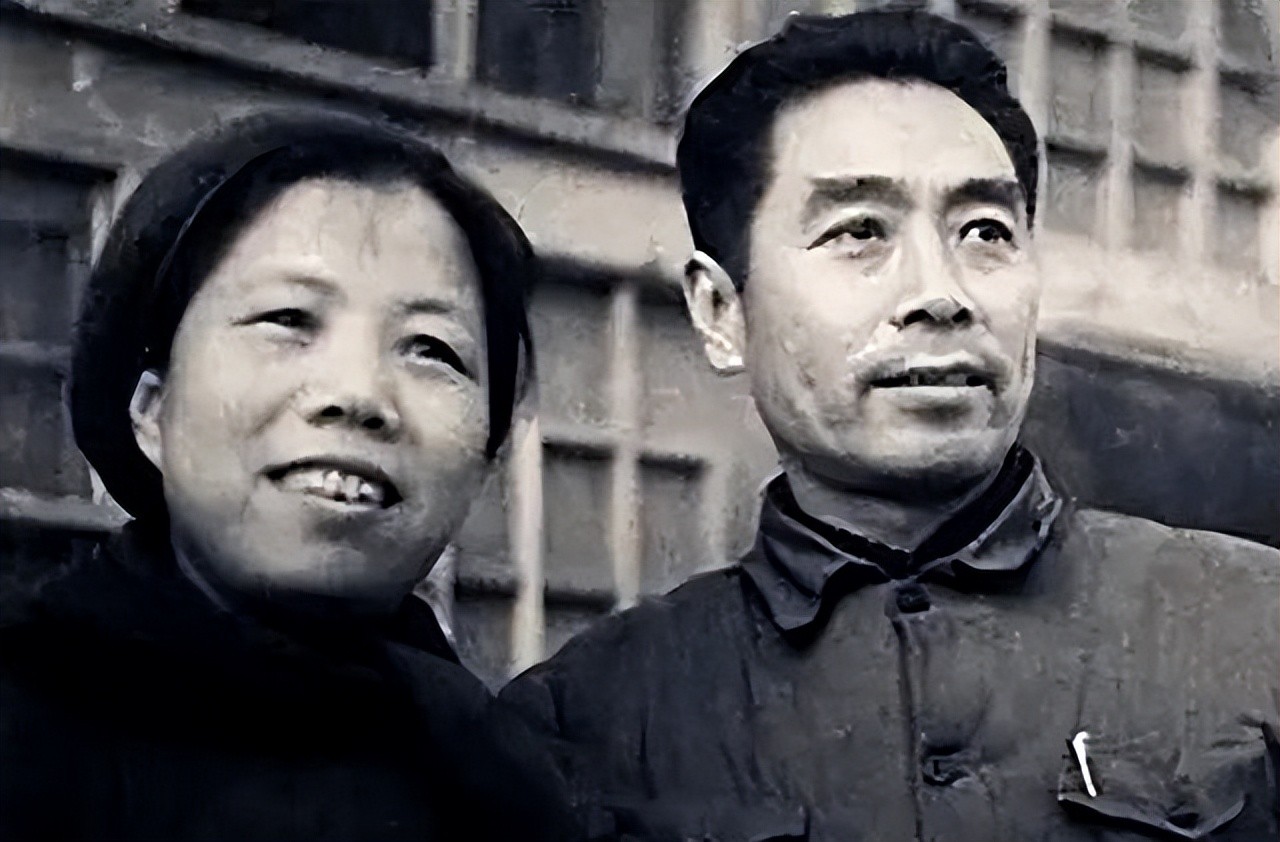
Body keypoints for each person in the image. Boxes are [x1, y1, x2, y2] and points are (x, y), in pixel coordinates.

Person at [502, 10, 1280, 841]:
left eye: (985, 232)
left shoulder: (1256, 621)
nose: (941, 294)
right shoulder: (582, 722)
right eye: (860, 232)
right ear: (722, 312)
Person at [0, 113, 580, 841]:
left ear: (487, 459)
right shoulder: (29, 718)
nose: (358, 394)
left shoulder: (503, 771)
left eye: (432, 349)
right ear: (151, 409)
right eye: (287, 318)